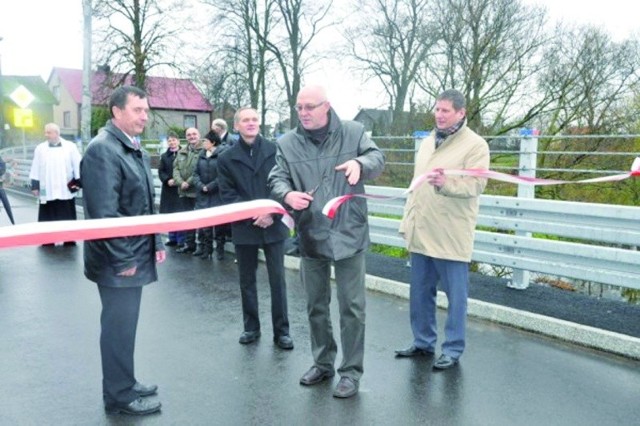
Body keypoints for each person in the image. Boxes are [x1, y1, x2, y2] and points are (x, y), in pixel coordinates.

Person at [268, 85, 385, 398]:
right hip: (311, 232)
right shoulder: (287, 143)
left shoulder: (354, 132)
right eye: (299, 108)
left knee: (353, 308)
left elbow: (377, 157)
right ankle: (323, 363)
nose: (303, 113)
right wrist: (286, 194)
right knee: (315, 306)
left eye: (310, 107)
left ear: (327, 107)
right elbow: (277, 177)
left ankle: (350, 373)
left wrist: (361, 165)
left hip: (349, 232)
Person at [81, 85, 165, 415]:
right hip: (119, 259)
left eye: (146, 110)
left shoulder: (131, 148)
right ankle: (119, 395)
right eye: (137, 110)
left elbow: (145, 204)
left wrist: (156, 239)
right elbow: (104, 213)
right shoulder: (103, 150)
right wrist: (125, 258)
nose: (145, 116)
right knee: (118, 327)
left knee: (126, 326)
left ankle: (125, 382)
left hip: (133, 251)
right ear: (117, 112)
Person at [395, 89, 490, 370]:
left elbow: (476, 185)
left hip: (450, 233)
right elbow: (416, 186)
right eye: (437, 109)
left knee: (456, 298)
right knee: (420, 293)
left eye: (445, 110)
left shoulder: (475, 146)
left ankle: (453, 348)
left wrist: (445, 184)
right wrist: (407, 221)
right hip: (422, 228)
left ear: (461, 113)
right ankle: (423, 342)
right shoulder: (426, 142)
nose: (439, 115)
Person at [218, 107, 293, 350]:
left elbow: (285, 184)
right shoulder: (226, 158)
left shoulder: (275, 150)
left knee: (278, 280)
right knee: (246, 280)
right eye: (245, 120)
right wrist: (254, 213)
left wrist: (271, 212)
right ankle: (251, 327)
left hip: (273, 222)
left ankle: (282, 331)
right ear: (236, 125)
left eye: (254, 120)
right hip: (244, 225)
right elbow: (228, 194)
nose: (251, 124)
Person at [29, 122, 81, 246]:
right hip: (47, 188)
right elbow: (35, 167)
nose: (45, 135)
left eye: (48, 132)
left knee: (66, 213)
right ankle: (47, 239)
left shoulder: (70, 147)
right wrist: (35, 186)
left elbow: (78, 165)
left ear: (57, 133)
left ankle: (69, 238)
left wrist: (77, 184)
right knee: (47, 213)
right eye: (45, 132)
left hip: (65, 188)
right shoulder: (40, 148)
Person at [192, 131, 226, 259]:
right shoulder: (201, 155)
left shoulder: (222, 155)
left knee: (219, 224)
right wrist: (201, 186)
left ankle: (220, 249)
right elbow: (195, 174)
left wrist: (210, 186)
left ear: (212, 142)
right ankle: (207, 249)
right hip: (203, 195)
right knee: (205, 224)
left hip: (217, 194)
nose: (203, 143)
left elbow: (223, 175)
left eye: (205, 141)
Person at [172, 127, 202, 253]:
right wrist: (180, 183)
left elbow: (198, 169)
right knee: (188, 219)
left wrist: (188, 182)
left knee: (200, 220)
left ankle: (202, 246)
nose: (192, 136)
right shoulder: (182, 151)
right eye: (189, 135)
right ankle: (189, 245)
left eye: (194, 134)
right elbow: (176, 169)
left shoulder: (203, 150)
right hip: (183, 191)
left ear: (199, 135)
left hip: (197, 191)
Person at [158, 131, 185, 247]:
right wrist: (167, 180)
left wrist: (179, 180)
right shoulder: (164, 156)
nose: (172, 143)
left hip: (180, 189)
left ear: (178, 141)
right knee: (170, 215)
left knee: (180, 215)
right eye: (169, 141)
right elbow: (161, 171)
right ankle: (172, 237)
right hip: (169, 190)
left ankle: (181, 239)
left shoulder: (184, 154)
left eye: (174, 140)